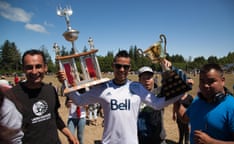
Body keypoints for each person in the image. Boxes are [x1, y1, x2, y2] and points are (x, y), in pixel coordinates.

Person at [57, 50, 186, 144]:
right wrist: (65, 83)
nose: (122, 70)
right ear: (113, 66)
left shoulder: (136, 87)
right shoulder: (103, 87)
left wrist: (180, 90)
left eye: (126, 67)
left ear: (129, 68)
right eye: (118, 66)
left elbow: (157, 103)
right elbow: (79, 100)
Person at [9, 49, 78, 144]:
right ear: (23, 69)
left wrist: (69, 134)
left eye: (38, 66)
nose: (34, 71)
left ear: (45, 67)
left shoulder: (50, 90)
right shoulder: (12, 96)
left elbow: (55, 117)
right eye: (29, 67)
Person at [175, 63, 234, 144]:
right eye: (202, 81)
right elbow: (184, 118)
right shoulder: (197, 101)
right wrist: (175, 98)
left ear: (222, 81)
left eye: (211, 81)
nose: (205, 85)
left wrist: (211, 142)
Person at [137, 66, 166, 144]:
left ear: (153, 80)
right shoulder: (134, 96)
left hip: (158, 139)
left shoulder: (159, 93)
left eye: (149, 78)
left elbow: (171, 84)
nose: (147, 81)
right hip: (140, 139)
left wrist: (166, 67)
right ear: (139, 80)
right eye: (144, 78)